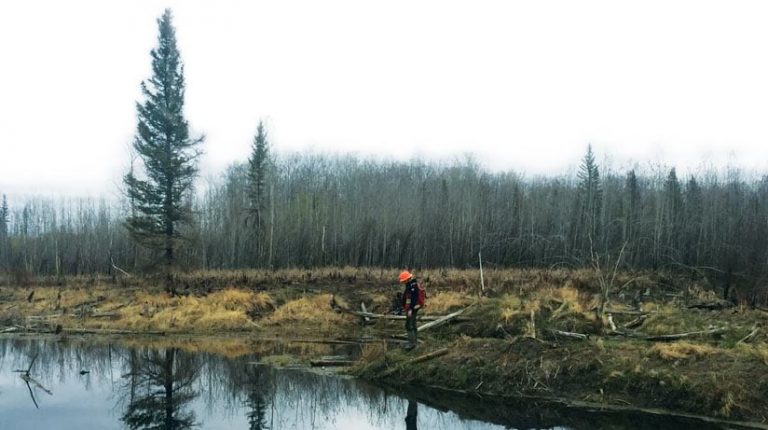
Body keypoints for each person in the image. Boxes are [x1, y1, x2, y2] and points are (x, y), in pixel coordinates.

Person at [399, 270, 423, 350]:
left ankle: (412, 344)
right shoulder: (412, 284)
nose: (402, 282)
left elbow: (411, 299)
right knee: (413, 324)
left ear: (406, 279)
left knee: (408, 325)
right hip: (414, 307)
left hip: (412, 308)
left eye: (403, 281)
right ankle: (414, 341)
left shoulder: (411, 287)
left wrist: (409, 309)